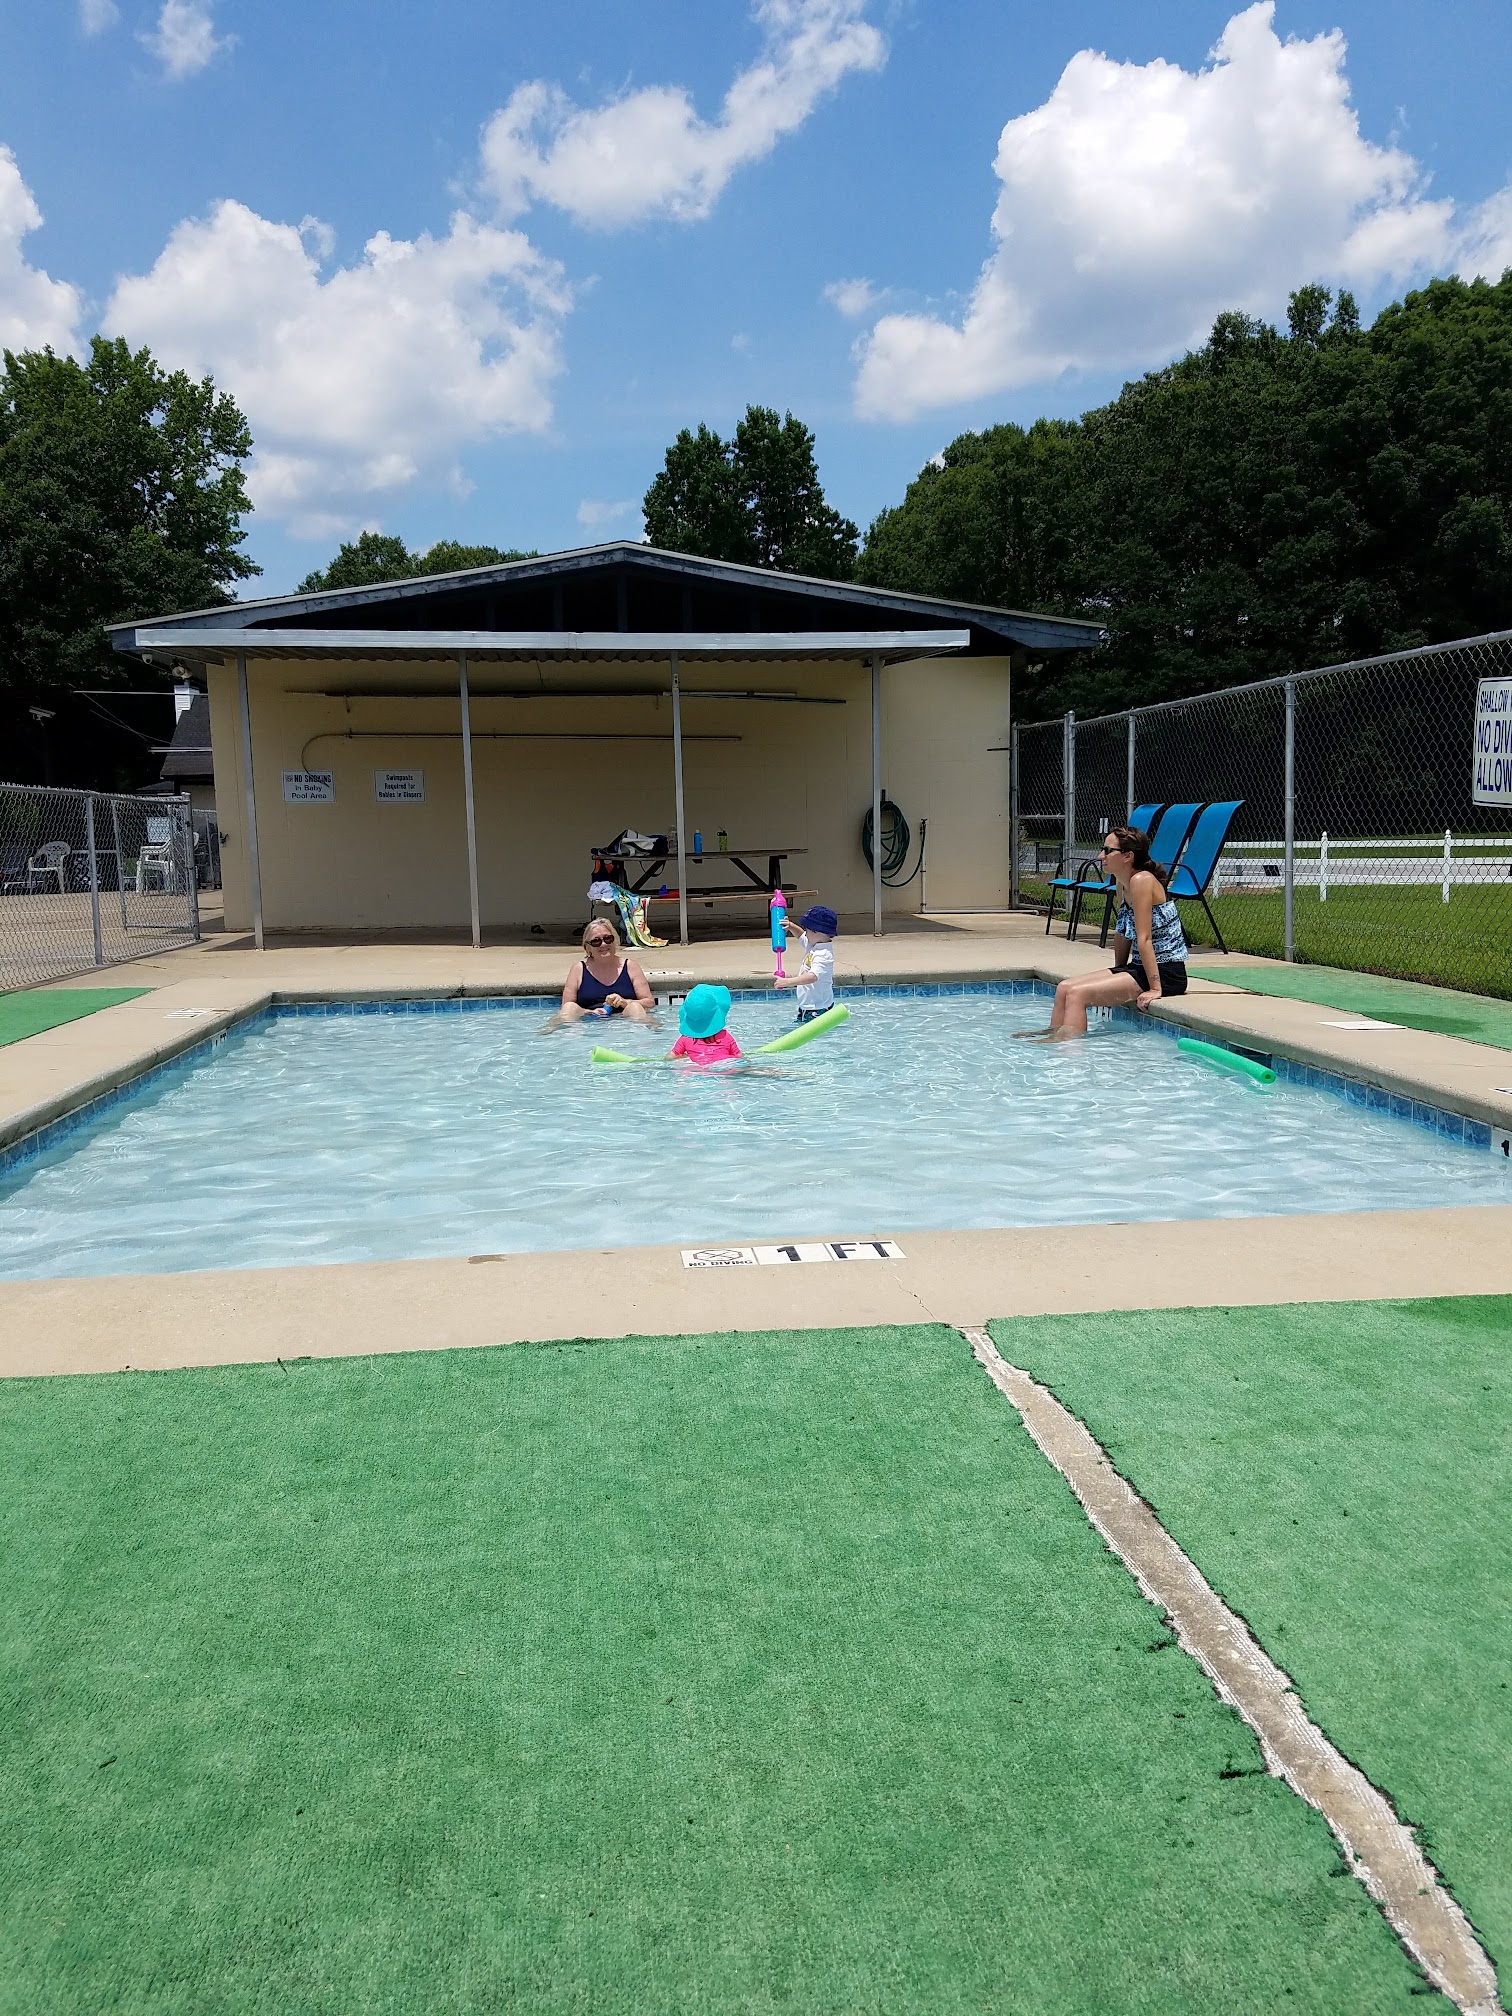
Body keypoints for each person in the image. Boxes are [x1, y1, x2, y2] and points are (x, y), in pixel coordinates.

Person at [1019, 825, 1189, 1039]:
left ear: (1127, 856)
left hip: (1166, 973)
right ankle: (1054, 1034)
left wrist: (1156, 989)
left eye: (1108, 851)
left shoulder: (1142, 881)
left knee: (1078, 994)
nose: (1101, 856)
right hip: (1139, 967)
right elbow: (1122, 932)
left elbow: (1144, 938)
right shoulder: (1122, 883)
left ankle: (1067, 1046)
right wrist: (1119, 970)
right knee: (1064, 987)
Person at [557, 921, 654, 1022]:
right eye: (596, 941)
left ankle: (641, 1031)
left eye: (608, 939)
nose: (603, 944)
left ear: (615, 941)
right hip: (589, 1021)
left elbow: (649, 1003)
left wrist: (624, 1002)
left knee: (635, 1007)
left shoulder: (631, 967)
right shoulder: (578, 969)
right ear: (588, 947)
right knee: (569, 1007)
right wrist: (590, 1012)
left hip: (624, 1021)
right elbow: (566, 1006)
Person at [774, 903, 836, 1021]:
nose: (805, 933)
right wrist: (791, 926)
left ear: (817, 931)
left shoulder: (823, 954)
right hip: (807, 1007)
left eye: (807, 930)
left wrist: (787, 982)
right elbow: (801, 936)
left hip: (818, 1010)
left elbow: (813, 977)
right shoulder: (813, 944)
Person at [669, 983, 742, 1063]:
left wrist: (683, 1057)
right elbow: (739, 1056)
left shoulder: (685, 1038)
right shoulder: (725, 1036)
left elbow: (670, 1057)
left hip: (696, 1067)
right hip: (724, 1065)